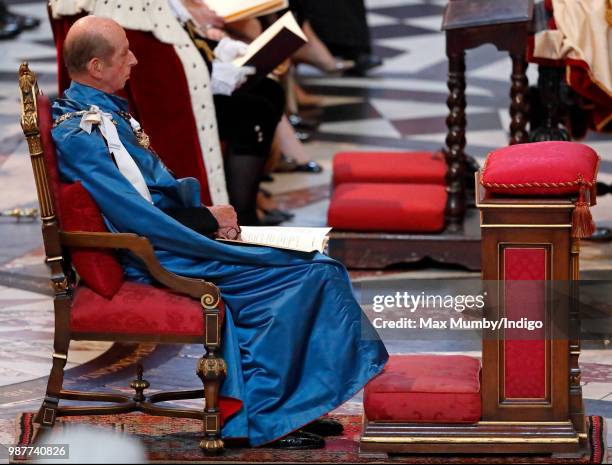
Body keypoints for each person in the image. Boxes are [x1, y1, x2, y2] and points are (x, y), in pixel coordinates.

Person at [51, 15, 388, 449]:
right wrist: (208, 221)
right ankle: (270, 416)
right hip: (157, 256)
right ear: (96, 67)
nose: (134, 59)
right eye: (123, 55)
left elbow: (149, 199)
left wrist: (209, 215)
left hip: (168, 240)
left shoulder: (100, 115)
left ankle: (291, 407)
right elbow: (135, 217)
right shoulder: (83, 135)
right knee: (312, 273)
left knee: (317, 267)